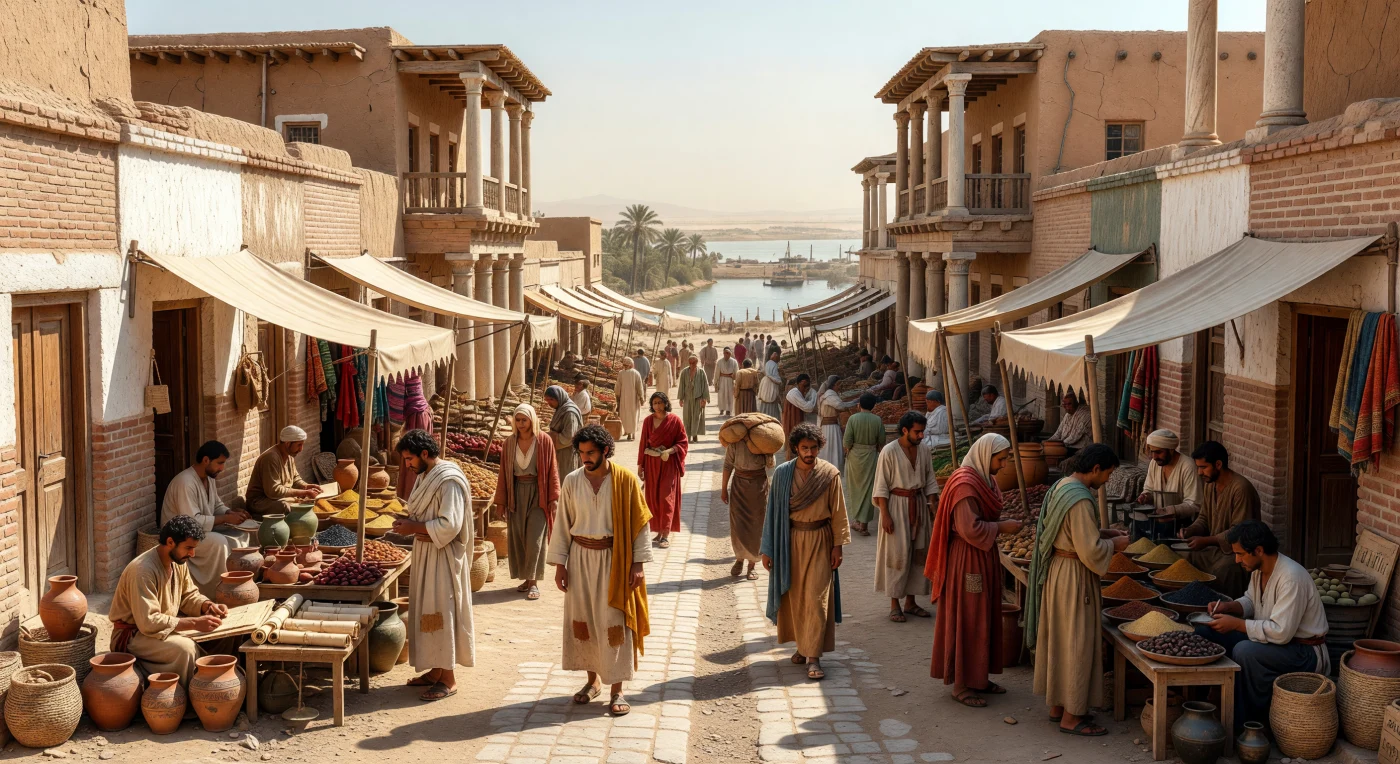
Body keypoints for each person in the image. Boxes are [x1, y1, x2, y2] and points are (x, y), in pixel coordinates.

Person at [1026, 443, 1130, 737]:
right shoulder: (1082, 501)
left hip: (1059, 572)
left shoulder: (1061, 486)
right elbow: (1090, 550)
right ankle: (1072, 717)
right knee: (1077, 643)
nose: (1106, 481)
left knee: (1061, 639)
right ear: (1096, 469)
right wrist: (1116, 545)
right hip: (1075, 578)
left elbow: (1070, 532)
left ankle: (1059, 706)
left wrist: (1107, 533)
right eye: (1107, 474)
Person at [547, 425, 651, 717]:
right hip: (579, 560)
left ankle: (617, 688)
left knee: (613, 622)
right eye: (581, 453)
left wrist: (638, 564)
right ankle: (592, 682)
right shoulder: (571, 481)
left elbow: (640, 524)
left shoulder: (626, 481)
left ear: (605, 450)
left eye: (590, 452)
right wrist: (559, 565)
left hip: (613, 560)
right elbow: (562, 524)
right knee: (585, 621)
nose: (584, 458)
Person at [1197, 520, 1329, 730]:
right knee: (1206, 629)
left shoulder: (1291, 577)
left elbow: (1281, 632)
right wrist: (1229, 608)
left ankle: (1246, 724)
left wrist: (1238, 624)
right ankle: (1208, 703)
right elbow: (1252, 601)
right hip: (1278, 642)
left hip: (1304, 652)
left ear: (1258, 550)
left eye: (1240, 554)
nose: (1238, 560)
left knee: (1245, 651)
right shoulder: (1257, 569)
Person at [926, 433, 1022, 707]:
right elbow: (970, 528)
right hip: (967, 559)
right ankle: (961, 684)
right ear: (986, 455)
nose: (1003, 465)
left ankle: (979, 677)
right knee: (968, 617)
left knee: (984, 615)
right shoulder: (964, 485)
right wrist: (1002, 527)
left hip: (983, 555)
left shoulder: (985, 480)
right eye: (1001, 459)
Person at [760, 423, 849, 681]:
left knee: (816, 598)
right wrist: (768, 549)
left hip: (821, 541)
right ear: (796, 448)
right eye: (804, 448)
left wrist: (838, 546)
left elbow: (839, 514)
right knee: (796, 596)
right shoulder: (782, 474)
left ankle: (813, 656)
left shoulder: (830, 474)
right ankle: (802, 644)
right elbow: (773, 513)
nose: (809, 453)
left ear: (819, 447)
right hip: (790, 541)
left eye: (813, 448)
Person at [391, 429, 476, 700]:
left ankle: (448, 678)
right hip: (426, 552)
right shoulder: (425, 475)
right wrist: (408, 522)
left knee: (442, 612)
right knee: (427, 611)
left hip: (443, 557)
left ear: (424, 454)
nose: (407, 465)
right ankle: (435, 670)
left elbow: (451, 524)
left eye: (409, 459)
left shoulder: (448, 480)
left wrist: (413, 526)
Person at [108, 516, 226, 685]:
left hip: (162, 629)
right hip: (133, 637)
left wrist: (207, 606)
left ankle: (215, 681)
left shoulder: (178, 561)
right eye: (189, 548)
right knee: (185, 649)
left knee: (223, 635)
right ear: (170, 542)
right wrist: (194, 623)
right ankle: (188, 696)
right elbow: (149, 621)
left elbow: (188, 595)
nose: (192, 554)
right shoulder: (143, 570)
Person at [160, 440, 250, 597]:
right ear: (206, 460)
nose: (222, 468)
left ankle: (239, 583)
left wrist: (231, 514)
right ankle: (217, 592)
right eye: (219, 463)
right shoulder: (185, 482)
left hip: (201, 529)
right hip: (180, 536)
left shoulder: (209, 478)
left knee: (241, 534)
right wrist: (225, 519)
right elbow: (191, 522)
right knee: (218, 542)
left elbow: (216, 506)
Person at [873, 411, 939, 622]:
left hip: (918, 505)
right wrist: (885, 514)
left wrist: (933, 506)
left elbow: (930, 479)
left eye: (922, 432)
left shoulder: (925, 450)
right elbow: (881, 485)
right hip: (896, 506)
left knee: (918, 553)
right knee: (897, 554)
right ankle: (895, 604)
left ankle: (911, 602)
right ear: (904, 430)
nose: (921, 436)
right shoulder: (889, 451)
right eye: (917, 432)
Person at [493, 405, 561, 602]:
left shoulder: (543, 441)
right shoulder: (509, 443)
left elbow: (552, 469)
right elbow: (503, 473)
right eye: (518, 420)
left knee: (535, 539)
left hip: (538, 493)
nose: (521, 424)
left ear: (532, 420)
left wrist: (553, 498)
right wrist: (501, 502)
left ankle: (534, 583)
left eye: (525, 420)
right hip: (516, 493)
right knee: (519, 538)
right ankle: (525, 578)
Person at [1180, 440, 1260, 598]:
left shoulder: (1241, 489)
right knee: (1185, 557)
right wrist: (1191, 529)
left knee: (1224, 571)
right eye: (1198, 467)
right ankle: (1193, 601)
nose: (1199, 473)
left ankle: (1224, 608)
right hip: (1215, 550)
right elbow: (1204, 517)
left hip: (1236, 552)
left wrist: (1206, 541)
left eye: (1203, 467)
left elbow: (1240, 532)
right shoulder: (1210, 485)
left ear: (1218, 464)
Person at [722, 414, 775, 580]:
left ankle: (752, 565)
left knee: (757, 526)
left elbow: (771, 464)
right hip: (739, 485)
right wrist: (723, 489)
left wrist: (767, 451)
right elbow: (728, 465)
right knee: (738, 525)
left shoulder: (762, 443)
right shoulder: (735, 444)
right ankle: (739, 559)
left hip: (759, 487)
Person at [638, 391, 689, 548]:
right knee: (653, 497)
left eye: (660, 402)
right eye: (655, 403)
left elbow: (683, 442)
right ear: (652, 405)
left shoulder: (674, 421)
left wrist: (670, 451)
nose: (658, 406)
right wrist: (641, 465)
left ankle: (665, 534)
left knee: (666, 497)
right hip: (652, 463)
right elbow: (643, 444)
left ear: (666, 403)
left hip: (668, 464)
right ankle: (658, 531)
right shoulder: (647, 421)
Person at [244, 425, 321, 516]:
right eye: (299, 445)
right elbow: (274, 491)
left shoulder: (289, 455)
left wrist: (307, 486)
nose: (301, 449)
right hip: (260, 502)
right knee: (285, 507)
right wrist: (304, 492)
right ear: (288, 444)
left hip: (277, 498)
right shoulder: (271, 458)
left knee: (309, 502)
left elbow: (295, 479)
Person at [1137, 428, 1203, 528]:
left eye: (1158, 452)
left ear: (1171, 450)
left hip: (1182, 524)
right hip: (1157, 521)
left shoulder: (1188, 466)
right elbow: (1149, 489)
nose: (1154, 457)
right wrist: (1145, 497)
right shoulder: (1154, 463)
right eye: (1152, 452)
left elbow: (1194, 504)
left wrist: (1170, 510)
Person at [842, 393, 884, 537]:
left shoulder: (852, 419)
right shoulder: (877, 420)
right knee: (869, 489)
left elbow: (847, 441)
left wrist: (848, 451)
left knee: (855, 488)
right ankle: (864, 525)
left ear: (859, 404)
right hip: (871, 456)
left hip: (855, 457)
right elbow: (882, 441)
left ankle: (858, 521)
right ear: (874, 406)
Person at [816, 375, 854, 469]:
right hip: (830, 427)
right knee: (832, 447)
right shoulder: (830, 394)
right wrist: (854, 403)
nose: (839, 387)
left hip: (829, 426)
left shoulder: (828, 394)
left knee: (830, 447)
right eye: (838, 384)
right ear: (833, 385)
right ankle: (832, 467)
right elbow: (840, 406)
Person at [545, 386, 585, 476]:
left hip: (567, 453)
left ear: (559, 397)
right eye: (547, 400)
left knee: (566, 479)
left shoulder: (569, 412)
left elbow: (569, 436)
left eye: (551, 399)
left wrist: (553, 437)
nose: (549, 403)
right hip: (559, 452)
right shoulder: (561, 409)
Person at [783, 374, 818, 461]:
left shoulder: (798, 393)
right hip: (793, 421)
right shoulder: (794, 393)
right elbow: (807, 407)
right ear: (799, 384)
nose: (806, 388)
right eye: (804, 386)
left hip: (796, 421)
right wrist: (814, 395)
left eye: (807, 386)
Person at [677, 355, 710, 441]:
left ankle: (694, 434)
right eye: (690, 363)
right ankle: (688, 435)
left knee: (696, 417)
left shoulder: (701, 372)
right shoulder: (684, 372)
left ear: (697, 363)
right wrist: (681, 398)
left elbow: (705, 385)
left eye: (694, 363)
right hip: (687, 398)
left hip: (698, 398)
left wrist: (704, 399)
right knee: (687, 417)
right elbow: (681, 385)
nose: (692, 365)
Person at [758, 350, 784, 418]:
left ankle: (764, 416)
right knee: (772, 400)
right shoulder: (774, 364)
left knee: (765, 400)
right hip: (771, 384)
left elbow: (765, 371)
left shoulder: (767, 363)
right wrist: (779, 381)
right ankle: (772, 417)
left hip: (765, 382)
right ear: (775, 358)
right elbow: (775, 376)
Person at [715, 347, 739, 416]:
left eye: (728, 353)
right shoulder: (719, 362)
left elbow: (736, 372)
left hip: (730, 381)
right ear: (723, 353)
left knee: (729, 395)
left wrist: (735, 380)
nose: (726, 354)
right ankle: (721, 409)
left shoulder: (734, 362)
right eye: (725, 353)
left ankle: (728, 410)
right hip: (722, 380)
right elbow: (717, 373)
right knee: (721, 395)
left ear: (730, 354)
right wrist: (716, 382)